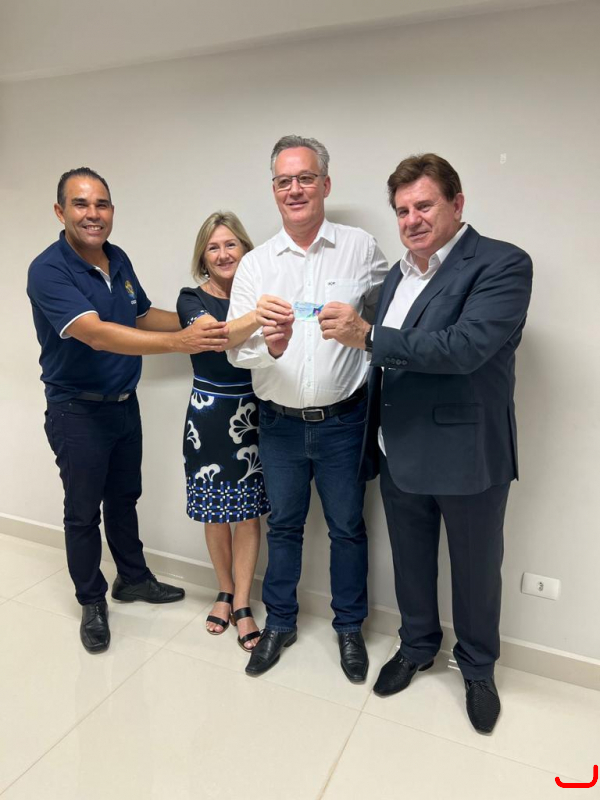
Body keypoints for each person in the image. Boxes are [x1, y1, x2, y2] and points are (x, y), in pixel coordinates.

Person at [319, 153, 533, 733]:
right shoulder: (396, 275)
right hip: (398, 446)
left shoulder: (502, 263)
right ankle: (417, 645)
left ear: (456, 204)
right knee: (410, 560)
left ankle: (478, 667)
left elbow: (465, 348)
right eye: (402, 210)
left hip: (468, 454)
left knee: (475, 568)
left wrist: (368, 335)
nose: (411, 219)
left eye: (424, 206)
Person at [27, 167, 228, 655]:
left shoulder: (117, 259)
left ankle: (132, 579)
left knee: (124, 498)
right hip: (76, 410)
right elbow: (96, 333)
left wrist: (206, 319)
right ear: (60, 211)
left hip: (123, 404)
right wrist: (181, 342)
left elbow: (140, 316)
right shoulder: (48, 269)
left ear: (112, 211)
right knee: (82, 512)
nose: (92, 214)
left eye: (101, 204)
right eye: (80, 204)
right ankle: (92, 601)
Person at [227, 135, 388, 682]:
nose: (294, 189)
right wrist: (268, 347)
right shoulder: (255, 265)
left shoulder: (360, 248)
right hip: (279, 426)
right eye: (283, 181)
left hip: (345, 422)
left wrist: (365, 333)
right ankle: (281, 623)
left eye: (305, 178)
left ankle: (349, 628)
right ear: (273, 189)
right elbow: (235, 347)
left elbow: (393, 313)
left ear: (325, 184)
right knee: (284, 528)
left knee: (347, 529)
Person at [176, 212, 272, 650]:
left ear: (245, 250)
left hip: (256, 411)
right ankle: (224, 591)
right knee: (215, 512)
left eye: (230, 244)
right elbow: (216, 337)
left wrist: (259, 308)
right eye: (213, 247)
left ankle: (244, 602)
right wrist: (260, 314)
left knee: (248, 513)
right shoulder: (190, 299)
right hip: (209, 415)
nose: (222, 254)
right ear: (203, 257)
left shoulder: (259, 292)